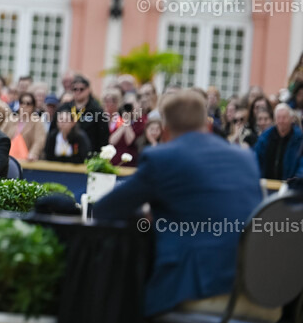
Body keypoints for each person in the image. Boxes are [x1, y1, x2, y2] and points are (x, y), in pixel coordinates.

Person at [94, 89, 263, 318]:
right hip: (258, 289)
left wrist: (150, 215)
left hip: (196, 289)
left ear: (164, 130)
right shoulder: (245, 158)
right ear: (207, 123)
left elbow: (105, 209)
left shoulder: (162, 157)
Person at [254, 104, 303, 180]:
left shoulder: (299, 139)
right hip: (267, 183)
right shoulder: (265, 137)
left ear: (291, 119)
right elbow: (256, 157)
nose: (281, 121)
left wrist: (297, 179)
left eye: (284, 118)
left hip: (291, 186)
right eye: (278, 118)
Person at [65, 73, 109, 153]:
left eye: (81, 89)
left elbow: (103, 137)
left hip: (90, 154)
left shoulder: (97, 111)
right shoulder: (64, 108)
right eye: (75, 89)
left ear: (88, 90)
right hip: (66, 154)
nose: (78, 92)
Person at [0, 92, 46, 161]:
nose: (24, 105)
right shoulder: (11, 119)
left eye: (28, 103)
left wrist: (33, 154)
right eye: (22, 102)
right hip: (7, 158)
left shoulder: (37, 122)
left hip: (27, 160)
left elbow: (39, 141)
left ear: (33, 106)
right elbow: (0, 136)